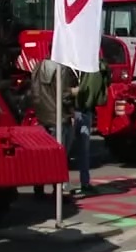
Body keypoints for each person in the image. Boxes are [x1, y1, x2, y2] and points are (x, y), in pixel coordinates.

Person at [29, 57, 79, 200]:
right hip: (59, 117)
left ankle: (38, 188)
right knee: (59, 157)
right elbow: (64, 96)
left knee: (42, 156)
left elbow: (34, 90)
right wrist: (75, 92)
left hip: (42, 115)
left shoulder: (38, 67)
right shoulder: (62, 69)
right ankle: (58, 192)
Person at [72, 56, 110, 196]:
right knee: (83, 150)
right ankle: (84, 182)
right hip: (83, 110)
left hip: (71, 110)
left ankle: (61, 186)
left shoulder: (70, 64)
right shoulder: (96, 66)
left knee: (66, 149)